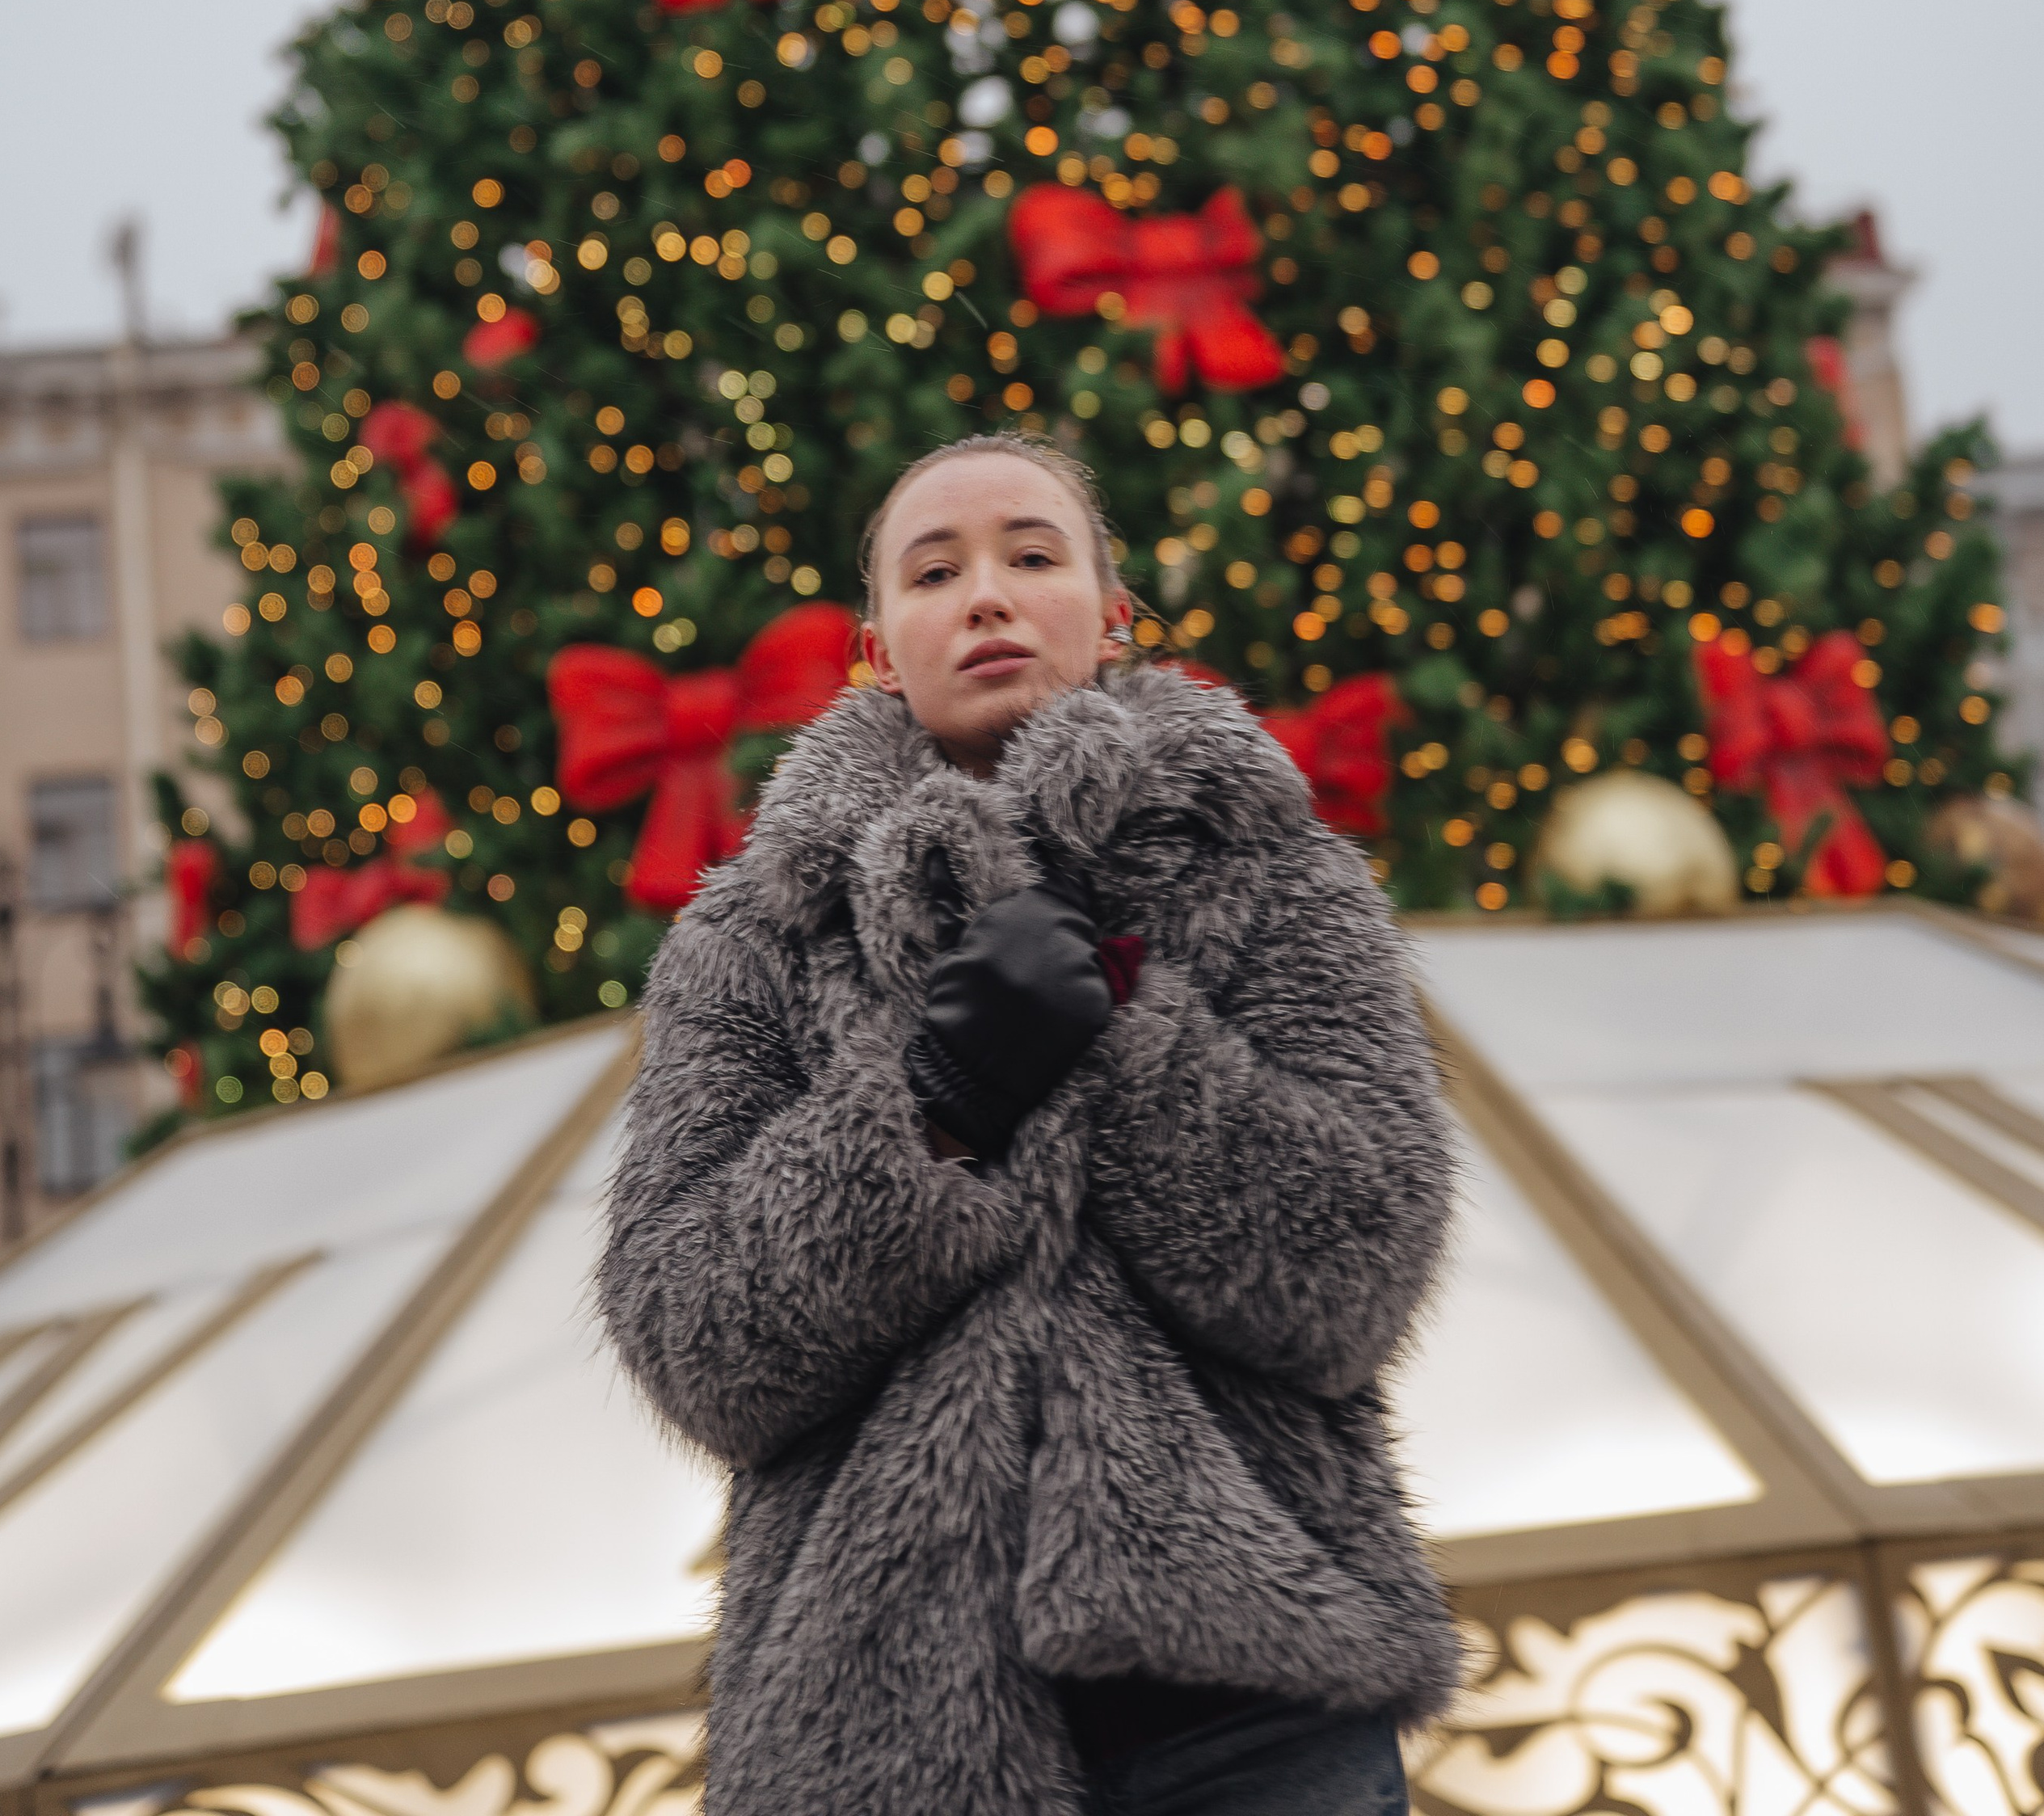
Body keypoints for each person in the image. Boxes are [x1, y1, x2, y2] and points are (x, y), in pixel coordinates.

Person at [598, 432, 1457, 1816]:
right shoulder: (751, 937)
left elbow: (1351, 1272)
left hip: (1258, 1714)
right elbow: (696, 1340)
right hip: (877, 1739)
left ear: (1115, 617)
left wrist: (1128, 1043)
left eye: (1033, 556)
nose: (987, 594)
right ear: (877, 646)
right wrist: (938, 1107)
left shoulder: (1278, 876)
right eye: (936, 572)